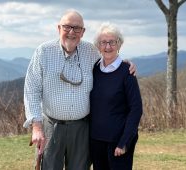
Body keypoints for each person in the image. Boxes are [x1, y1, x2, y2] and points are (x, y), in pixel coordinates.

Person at [23, 10, 136, 170]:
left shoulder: (91, 51)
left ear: (83, 32)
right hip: (51, 127)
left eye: (77, 28)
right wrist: (36, 127)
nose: (71, 32)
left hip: (82, 128)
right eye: (67, 27)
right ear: (58, 28)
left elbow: (109, 59)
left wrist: (125, 64)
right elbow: (31, 90)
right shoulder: (43, 52)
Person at [89, 22, 143, 170]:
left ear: (119, 44)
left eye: (112, 42)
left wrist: (124, 142)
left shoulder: (127, 72)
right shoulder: (94, 70)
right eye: (103, 42)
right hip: (96, 140)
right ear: (98, 46)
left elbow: (136, 109)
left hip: (118, 142)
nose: (107, 47)